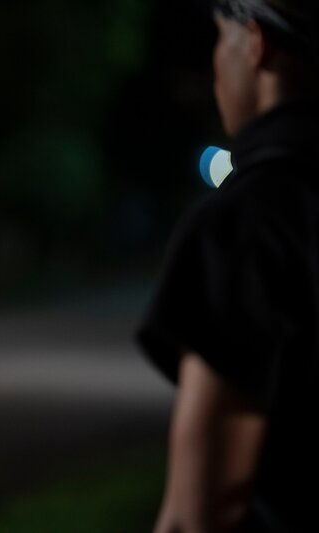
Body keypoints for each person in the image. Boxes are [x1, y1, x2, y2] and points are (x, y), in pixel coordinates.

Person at [137, 1, 319, 531]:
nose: (216, 67)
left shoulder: (250, 222)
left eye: (220, 39)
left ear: (255, 43)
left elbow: (200, 513)